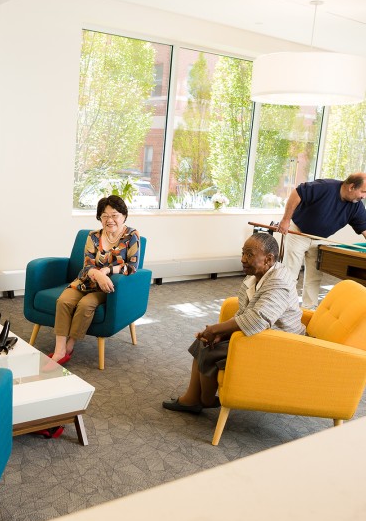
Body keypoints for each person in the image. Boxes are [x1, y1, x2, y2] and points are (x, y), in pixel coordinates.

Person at [163, 232, 305, 414]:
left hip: (281, 343)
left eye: (249, 254)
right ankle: (192, 399)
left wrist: (216, 329)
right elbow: (245, 313)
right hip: (263, 334)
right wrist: (220, 332)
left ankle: (205, 400)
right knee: (205, 340)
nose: (243, 259)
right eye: (243, 253)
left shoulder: (279, 282)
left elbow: (256, 319)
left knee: (210, 348)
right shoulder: (255, 276)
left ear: (268, 259)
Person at [49, 195, 141, 365]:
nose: (109, 220)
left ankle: (70, 345)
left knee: (85, 305)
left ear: (124, 216)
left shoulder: (131, 236)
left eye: (114, 215)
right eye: (105, 216)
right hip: (87, 281)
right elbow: (86, 266)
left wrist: (107, 270)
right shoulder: (93, 236)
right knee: (63, 301)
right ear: (100, 218)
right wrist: (98, 274)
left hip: (109, 287)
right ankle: (59, 350)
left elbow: (132, 266)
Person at [277, 173, 366, 309]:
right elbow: (297, 192)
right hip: (298, 232)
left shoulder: (357, 206)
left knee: (314, 277)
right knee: (290, 274)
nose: (363, 196)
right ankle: (284, 307)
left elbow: (364, 228)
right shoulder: (325, 187)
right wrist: (286, 219)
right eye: (363, 192)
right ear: (352, 187)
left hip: (320, 239)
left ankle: (309, 308)